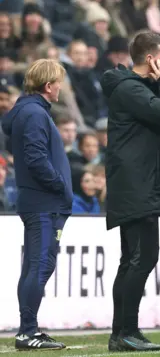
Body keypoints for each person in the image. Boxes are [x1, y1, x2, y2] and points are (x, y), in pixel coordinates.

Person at [100, 31, 160, 352]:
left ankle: (121, 332)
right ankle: (125, 332)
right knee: (143, 257)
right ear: (151, 59)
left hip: (138, 183)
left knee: (130, 260)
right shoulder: (131, 88)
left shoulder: (134, 87)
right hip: (136, 185)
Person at [2, 59, 72, 351]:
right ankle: (27, 331)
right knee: (40, 264)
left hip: (40, 202)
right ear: (48, 86)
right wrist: (59, 185)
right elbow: (35, 157)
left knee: (34, 265)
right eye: (58, 82)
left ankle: (28, 329)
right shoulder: (34, 113)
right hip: (43, 203)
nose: (61, 88)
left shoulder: (28, 111)